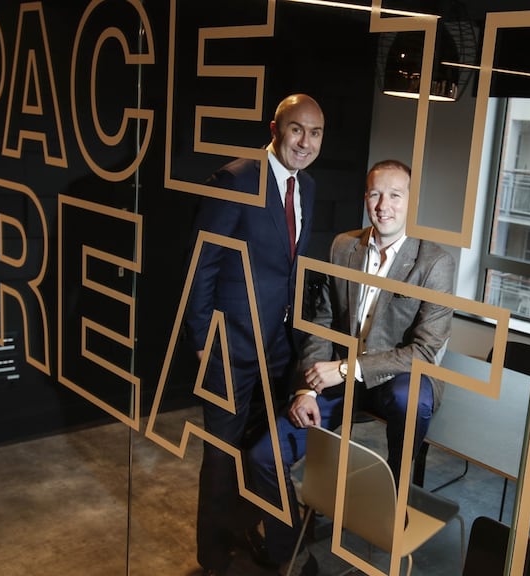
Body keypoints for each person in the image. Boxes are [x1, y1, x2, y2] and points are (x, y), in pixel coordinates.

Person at [248, 159, 456, 575]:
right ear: (365, 198)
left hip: (391, 377)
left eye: (395, 195)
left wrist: (344, 369)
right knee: (262, 457)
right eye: (375, 194)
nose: (384, 206)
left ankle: (396, 494)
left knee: (411, 397)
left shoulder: (435, 263)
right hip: (337, 377)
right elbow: (323, 323)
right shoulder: (344, 246)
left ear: (410, 201)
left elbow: (425, 351)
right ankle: (292, 553)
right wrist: (307, 389)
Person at [185, 94, 324, 576]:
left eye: (315, 133)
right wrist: (202, 339)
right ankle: (213, 558)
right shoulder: (237, 179)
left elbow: (289, 269)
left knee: (258, 452)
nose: (305, 142)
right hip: (229, 345)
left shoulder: (308, 187)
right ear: (275, 129)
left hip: (279, 348)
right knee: (221, 456)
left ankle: (245, 532)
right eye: (296, 130)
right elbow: (202, 264)